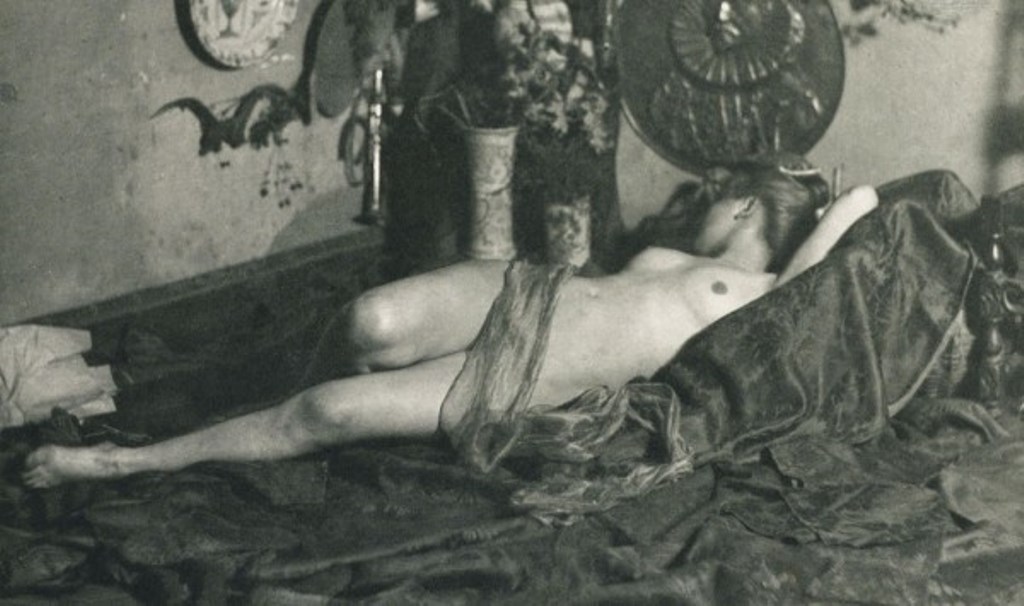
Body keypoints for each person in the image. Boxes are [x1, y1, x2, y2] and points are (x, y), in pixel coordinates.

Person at [22, 166, 879, 488]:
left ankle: (120, 461)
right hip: (528, 295)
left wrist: (848, 198)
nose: (705, 205)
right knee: (369, 320)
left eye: (724, 196)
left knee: (329, 413)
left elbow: (840, 239)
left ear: (747, 205)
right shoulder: (681, 259)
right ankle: (227, 400)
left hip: (530, 375)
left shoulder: (765, 291)